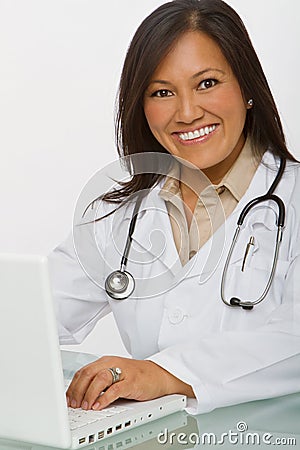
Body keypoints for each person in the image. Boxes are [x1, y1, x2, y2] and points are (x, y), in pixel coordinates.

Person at [49, 0, 300, 414]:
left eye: (207, 83)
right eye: (162, 92)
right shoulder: (119, 218)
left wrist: (162, 374)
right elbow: (32, 314)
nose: (186, 112)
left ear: (248, 87)